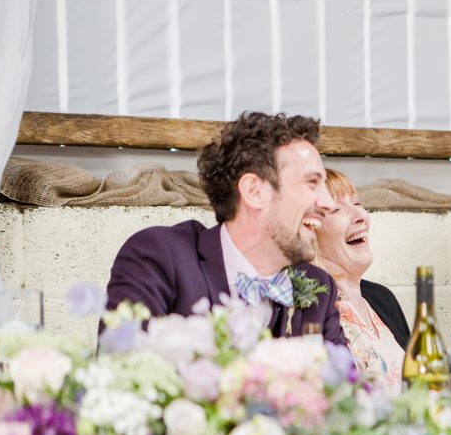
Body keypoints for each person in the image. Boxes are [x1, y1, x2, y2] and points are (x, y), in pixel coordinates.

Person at [105, 111, 346, 344]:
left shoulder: (320, 292)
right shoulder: (159, 258)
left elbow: (346, 385)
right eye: (312, 182)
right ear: (254, 191)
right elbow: (124, 372)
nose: (328, 203)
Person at [315, 169, 410, 395]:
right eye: (337, 208)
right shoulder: (313, 311)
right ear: (309, 230)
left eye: (357, 202)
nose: (360, 216)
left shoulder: (382, 298)